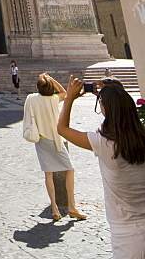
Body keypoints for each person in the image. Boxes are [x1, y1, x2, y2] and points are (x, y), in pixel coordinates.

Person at [58, 76, 145, 256]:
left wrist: (69, 99)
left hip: (127, 234)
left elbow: (62, 129)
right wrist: (114, 91)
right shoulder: (142, 137)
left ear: (106, 110)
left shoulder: (103, 143)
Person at [22, 72, 86, 222]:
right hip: (54, 140)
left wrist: (45, 80)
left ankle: (55, 209)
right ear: (50, 88)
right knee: (69, 170)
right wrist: (52, 79)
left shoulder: (31, 99)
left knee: (48, 174)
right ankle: (72, 207)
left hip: (41, 141)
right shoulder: (53, 99)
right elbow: (64, 92)